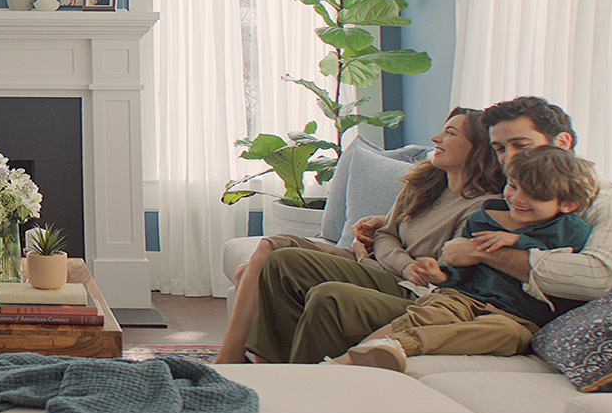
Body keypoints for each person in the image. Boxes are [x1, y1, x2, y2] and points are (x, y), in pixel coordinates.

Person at [245, 96, 612, 363]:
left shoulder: (609, 208)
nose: (508, 161)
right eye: (500, 149)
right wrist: (410, 240)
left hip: (508, 317)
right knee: (283, 262)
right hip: (449, 293)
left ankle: (318, 381)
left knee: (329, 295)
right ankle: (282, 382)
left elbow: (597, 277)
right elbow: (451, 250)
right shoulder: (503, 198)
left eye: (520, 146)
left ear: (563, 141)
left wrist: (482, 252)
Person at [215, 108, 504, 363]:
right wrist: (396, 258)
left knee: (283, 263)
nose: (436, 139)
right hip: (388, 268)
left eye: (449, 133)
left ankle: (251, 366)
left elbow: (433, 271)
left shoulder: (481, 208)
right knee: (274, 259)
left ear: (478, 147)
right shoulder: (424, 181)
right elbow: (386, 234)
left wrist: (382, 259)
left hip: (410, 287)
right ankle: (265, 369)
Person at [336, 145, 596, 370]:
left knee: (508, 335)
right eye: (514, 186)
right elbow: (463, 269)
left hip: (519, 316)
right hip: (466, 296)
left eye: (535, 195)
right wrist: (442, 274)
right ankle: (344, 360)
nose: (517, 199)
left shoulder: (570, 229)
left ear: (567, 204)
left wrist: (518, 241)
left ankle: (399, 345)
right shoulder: (483, 217)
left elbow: (560, 264)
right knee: (427, 314)